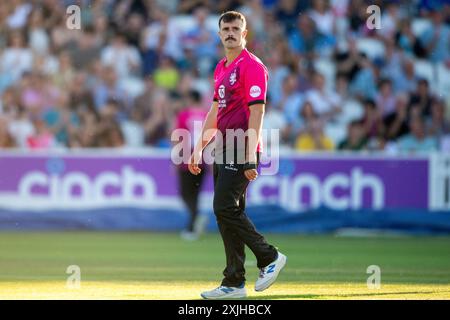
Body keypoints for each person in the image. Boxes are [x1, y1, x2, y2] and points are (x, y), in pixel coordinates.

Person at [188, 11, 287, 300]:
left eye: (236, 28)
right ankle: (233, 283)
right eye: (225, 29)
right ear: (219, 34)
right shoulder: (221, 67)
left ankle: (269, 257)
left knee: (223, 207)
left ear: (245, 34)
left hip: (241, 144)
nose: (230, 33)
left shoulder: (252, 66)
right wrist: (198, 148)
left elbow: (258, 111)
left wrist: (250, 156)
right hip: (222, 146)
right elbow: (215, 112)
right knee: (228, 215)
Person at [175, 90, 209, 241]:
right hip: (203, 159)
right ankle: (194, 221)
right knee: (195, 193)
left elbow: (179, 137)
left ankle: (193, 223)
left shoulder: (184, 115)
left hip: (187, 159)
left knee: (185, 193)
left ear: (190, 99)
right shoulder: (207, 115)